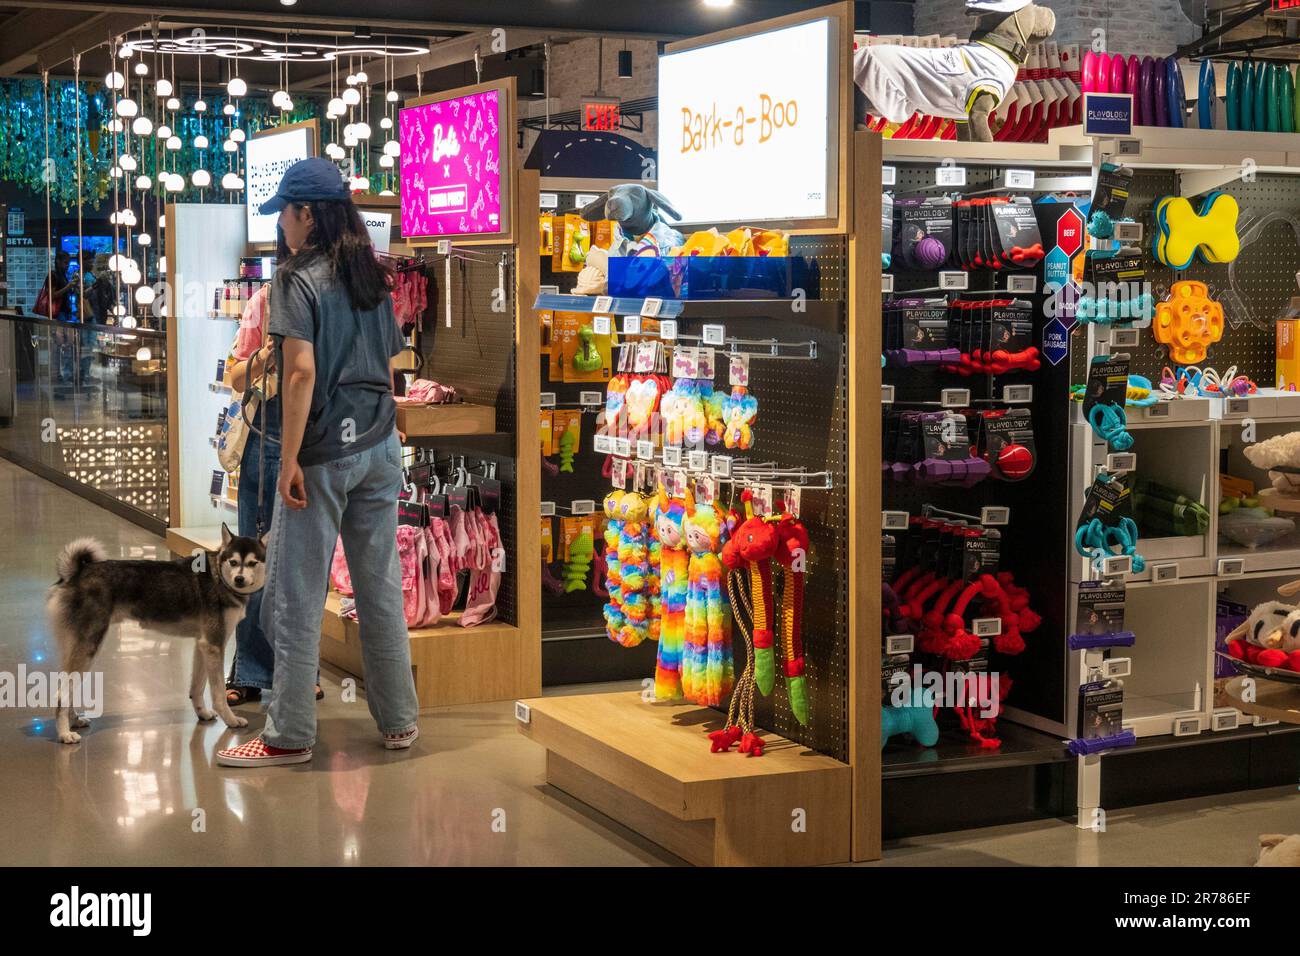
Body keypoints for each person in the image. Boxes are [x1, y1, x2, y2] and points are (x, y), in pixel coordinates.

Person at [217, 158, 418, 767]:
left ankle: (289, 735)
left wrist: (291, 459)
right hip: (380, 446)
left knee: (295, 595)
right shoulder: (371, 276)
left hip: (323, 451)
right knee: (380, 586)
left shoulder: (294, 280)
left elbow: (300, 372)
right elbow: (391, 367)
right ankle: (400, 722)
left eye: (285, 211)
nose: (280, 222)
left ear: (308, 214)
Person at [223, 228, 323, 706]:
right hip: (269, 433)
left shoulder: (334, 298)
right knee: (256, 555)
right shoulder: (264, 301)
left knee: (307, 559)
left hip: (319, 431)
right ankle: (251, 670)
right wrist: (269, 351)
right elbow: (235, 376)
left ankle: (301, 669)